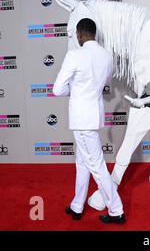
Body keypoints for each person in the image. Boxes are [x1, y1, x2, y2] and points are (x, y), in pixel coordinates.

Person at [53, 18, 125, 224]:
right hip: (94, 115)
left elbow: (57, 89)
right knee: (82, 163)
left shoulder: (75, 55)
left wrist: (73, 91)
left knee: (96, 165)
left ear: (79, 34)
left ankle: (116, 210)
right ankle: (77, 205)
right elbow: (105, 83)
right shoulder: (106, 56)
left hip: (82, 119)